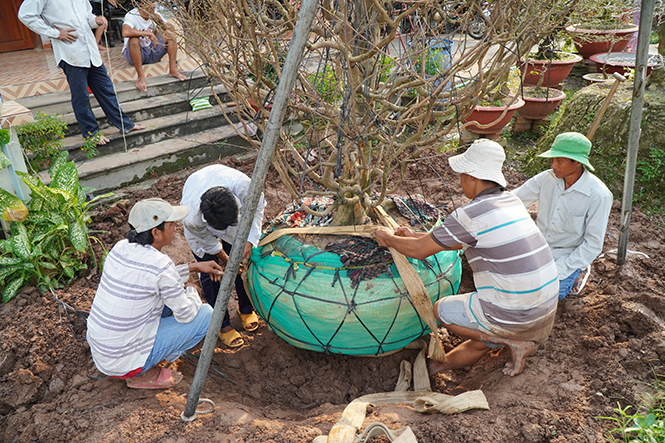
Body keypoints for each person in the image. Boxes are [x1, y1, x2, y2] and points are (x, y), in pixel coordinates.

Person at [375, 139, 559, 377]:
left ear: (472, 177)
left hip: (516, 314)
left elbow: (420, 251)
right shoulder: (510, 201)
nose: (460, 181)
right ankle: (436, 367)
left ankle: (512, 341)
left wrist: (388, 239)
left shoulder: (470, 214)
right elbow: (451, 240)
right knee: (481, 341)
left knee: (441, 310)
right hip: (543, 310)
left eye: (462, 175)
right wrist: (415, 235)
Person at [86, 198, 223, 389]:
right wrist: (193, 289)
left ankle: (145, 358)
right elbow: (186, 315)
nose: (176, 228)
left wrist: (193, 267)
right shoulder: (160, 265)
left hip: (103, 353)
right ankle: (144, 372)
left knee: (168, 296)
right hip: (124, 363)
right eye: (171, 224)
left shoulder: (120, 248)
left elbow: (153, 278)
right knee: (207, 315)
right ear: (155, 233)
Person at [18, 0, 145, 146]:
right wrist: (55, 33)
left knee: (106, 90)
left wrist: (96, 20)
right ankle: (91, 133)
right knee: (81, 96)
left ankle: (125, 125)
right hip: (71, 53)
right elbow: (26, 15)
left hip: (91, 52)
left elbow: (87, 18)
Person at [513, 132, 613, 301]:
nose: (553, 165)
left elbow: (593, 245)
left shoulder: (599, 195)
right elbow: (514, 200)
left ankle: (575, 275)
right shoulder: (547, 178)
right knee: (507, 278)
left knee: (549, 295)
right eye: (552, 160)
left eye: (559, 160)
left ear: (577, 163)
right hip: (538, 246)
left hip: (568, 256)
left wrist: (562, 269)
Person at [180, 165, 266, 348]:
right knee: (211, 271)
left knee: (242, 264)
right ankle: (222, 324)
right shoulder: (191, 216)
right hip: (200, 234)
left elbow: (258, 209)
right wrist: (225, 259)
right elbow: (208, 243)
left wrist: (250, 241)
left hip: (232, 214)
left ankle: (245, 308)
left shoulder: (246, 187)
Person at [122, 1, 186, 92]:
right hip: (134, 54)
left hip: (151, 50)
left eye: (154, 2)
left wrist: (159, 21)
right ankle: (141, 77)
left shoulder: (155, 14)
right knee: (133, 40)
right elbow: (125, 32)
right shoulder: (132, 15)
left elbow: (172, 30)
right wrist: (148, 33)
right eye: (151, 2)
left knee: (170, 35)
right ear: (143, 3)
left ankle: (173, 70)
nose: (154, 5)